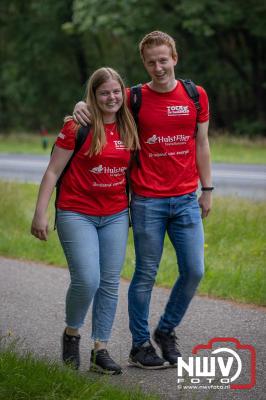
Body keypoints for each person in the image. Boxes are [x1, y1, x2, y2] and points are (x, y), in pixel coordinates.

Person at [73, 31, 213, 370]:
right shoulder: (134, 98)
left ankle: (165, 331)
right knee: (146, 273)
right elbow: (103, 105)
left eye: (163, 60)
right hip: (147, 200)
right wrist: (80, 106)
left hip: (185, 199)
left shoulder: (196, 95)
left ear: (174, 58)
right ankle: (139, 346)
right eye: (151, 62)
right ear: (144, 64)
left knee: (194, 269)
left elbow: (202, 144)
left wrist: (207, 189)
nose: (158, 67)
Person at [31, 67, 139, 375]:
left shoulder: (129, 124)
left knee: (109, 282)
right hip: (76, 211)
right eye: (104, 92)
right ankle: (71, 333)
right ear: (92, 95)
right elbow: (53, 171)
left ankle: (100, 349)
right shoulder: (77, 127)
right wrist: (40, 212)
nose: (111, 97)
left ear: (123, 92)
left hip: (116, 214)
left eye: (116, 91)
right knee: (87, 279)